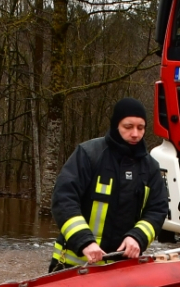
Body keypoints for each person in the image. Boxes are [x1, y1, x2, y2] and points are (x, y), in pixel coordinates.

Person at [49, 97, 169, 272]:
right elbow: (63, 199)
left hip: (122, 269)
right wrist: (85, 241)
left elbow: (158, 209)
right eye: (128, 127)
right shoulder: (89, 154)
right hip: (74, 265)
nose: (135, 134)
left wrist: (138, 237)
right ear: (115, 126)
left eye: (140, 128)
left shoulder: (150, 167)